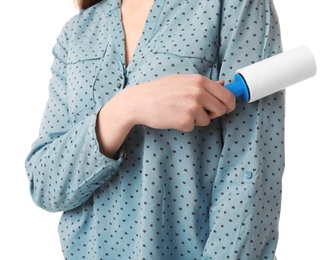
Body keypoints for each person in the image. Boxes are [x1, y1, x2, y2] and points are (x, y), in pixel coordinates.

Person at [25, 0, 285, 259]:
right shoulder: (77, 32)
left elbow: (251, 172)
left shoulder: (232, 5)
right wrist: (126, 107)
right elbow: (45, 184)